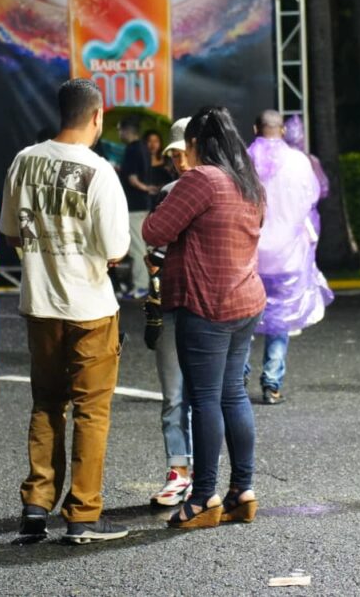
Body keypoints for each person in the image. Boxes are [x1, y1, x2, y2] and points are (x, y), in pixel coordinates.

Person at [0, 79, 131, 544]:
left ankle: (36, 506)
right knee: (91, 412)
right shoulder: (100, 173)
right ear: (97, 116)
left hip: (40, 304)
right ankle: (83, 514)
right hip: (91, 307)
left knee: (46, 404)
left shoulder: (24, 160)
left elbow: (12, 233)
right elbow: (116, 248)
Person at [142, 106, 265, 529]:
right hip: (244, 300)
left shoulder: (200, 180)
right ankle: (242, 490)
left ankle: (204, 497)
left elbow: (154, 231)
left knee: (205, 399)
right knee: (233, 393)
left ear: (196, 144)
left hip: (205, 303)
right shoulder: (248, 181)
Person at [245, 110, 334, 405]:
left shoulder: (244, 160)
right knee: (280, 320)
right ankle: (271, 384)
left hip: (251, 254)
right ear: (282, 130)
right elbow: (312, 198)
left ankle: (236, 378)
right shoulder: (299, 161)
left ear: (256, 128)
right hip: (288, 257)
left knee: (243, 318)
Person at [143, 117, 194, 507]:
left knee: (204, 396)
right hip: (178, 303)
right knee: (177, 394)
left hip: (205, 306)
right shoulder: (166, 193)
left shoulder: (221, 189)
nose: (178, 161)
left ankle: (200, 476)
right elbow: (153, 255)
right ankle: (182, 471)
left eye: (182, 152)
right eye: (173, 155)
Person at [119, 115, 157, 298]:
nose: (119, 133)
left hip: (134, 205)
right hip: (143, 204)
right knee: (142, 246)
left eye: (120, 130)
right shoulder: (143, 147)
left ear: (127, 130)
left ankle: (141, 286)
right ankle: (143, 285)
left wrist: (144, 187)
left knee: (137, 248)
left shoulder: (132, 149)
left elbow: (133, 179)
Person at [145, 129, 173, 195]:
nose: (153, 144)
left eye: (156, 141)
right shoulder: (140, 161)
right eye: (149, 141)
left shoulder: (167, 160)